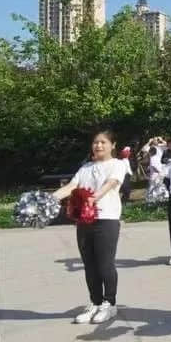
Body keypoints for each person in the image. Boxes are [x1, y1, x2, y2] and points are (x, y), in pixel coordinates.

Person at [52, 131, 128, 325]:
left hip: (106, 219)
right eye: (95, 142)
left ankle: (109, 304)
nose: (98, 146)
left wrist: (94, 197)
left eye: (103, 142)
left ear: (113, 145)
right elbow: (71, 186)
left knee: (105, 264)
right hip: (84, 221)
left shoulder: (118, 165)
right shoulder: (85, 167)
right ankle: (95, 302)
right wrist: (48, 200)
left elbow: (111, 184)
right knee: (90, 265)